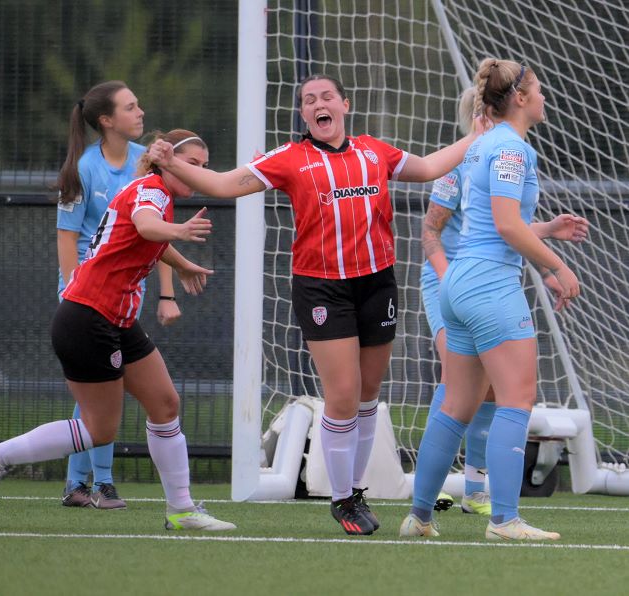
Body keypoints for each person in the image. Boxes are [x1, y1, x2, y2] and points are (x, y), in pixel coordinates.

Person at [146, 73, 485, 536]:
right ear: (304, 114)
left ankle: (355, 492)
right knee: (342, 394)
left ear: (344, 104)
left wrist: (475, 137)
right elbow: (224, 185)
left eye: (327, 97)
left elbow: (426, 168)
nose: (319, 104)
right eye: (309, 100)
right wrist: (175, 165)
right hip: (322, 288)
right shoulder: (290, 158)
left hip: (377, 283)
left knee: (367, 393)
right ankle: (343, 499)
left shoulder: (373, 151)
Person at [0, 130, 236, 531]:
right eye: (193, 163)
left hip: (115, 320)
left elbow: (138, 235)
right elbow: (145, 226)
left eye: (204, 165)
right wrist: (178, 233)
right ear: (166, 161)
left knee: (165, 404)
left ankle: (181, 510)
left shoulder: (151, 189)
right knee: (98, 428)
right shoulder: (155, 191)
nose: (200, 171)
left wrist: (179, 263)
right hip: (88, 318)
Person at [401, 58, 586, 541]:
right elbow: (504, 225)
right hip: (488, 283)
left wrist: (545, 234)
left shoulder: (483, 145)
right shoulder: (509, 149)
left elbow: (498, 223)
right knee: (517, 399)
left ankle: (419, 516)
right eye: (539, 91)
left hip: (459, 283)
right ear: (519, 99)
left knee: (457, 405)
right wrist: (557, 266)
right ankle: (504, 520)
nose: (545, 99)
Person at [56, 81, 181, 509]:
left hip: (126, 293)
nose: (141, 112)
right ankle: (90, 482)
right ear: (107, 120)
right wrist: (73, 289)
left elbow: (153, 234)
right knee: (97, 394)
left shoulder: (144, 163)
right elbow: (67, 237)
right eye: (131, 107)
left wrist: (167, 293)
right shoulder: (84, 168)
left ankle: (89, 483)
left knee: (107, 393)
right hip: (87, 295)